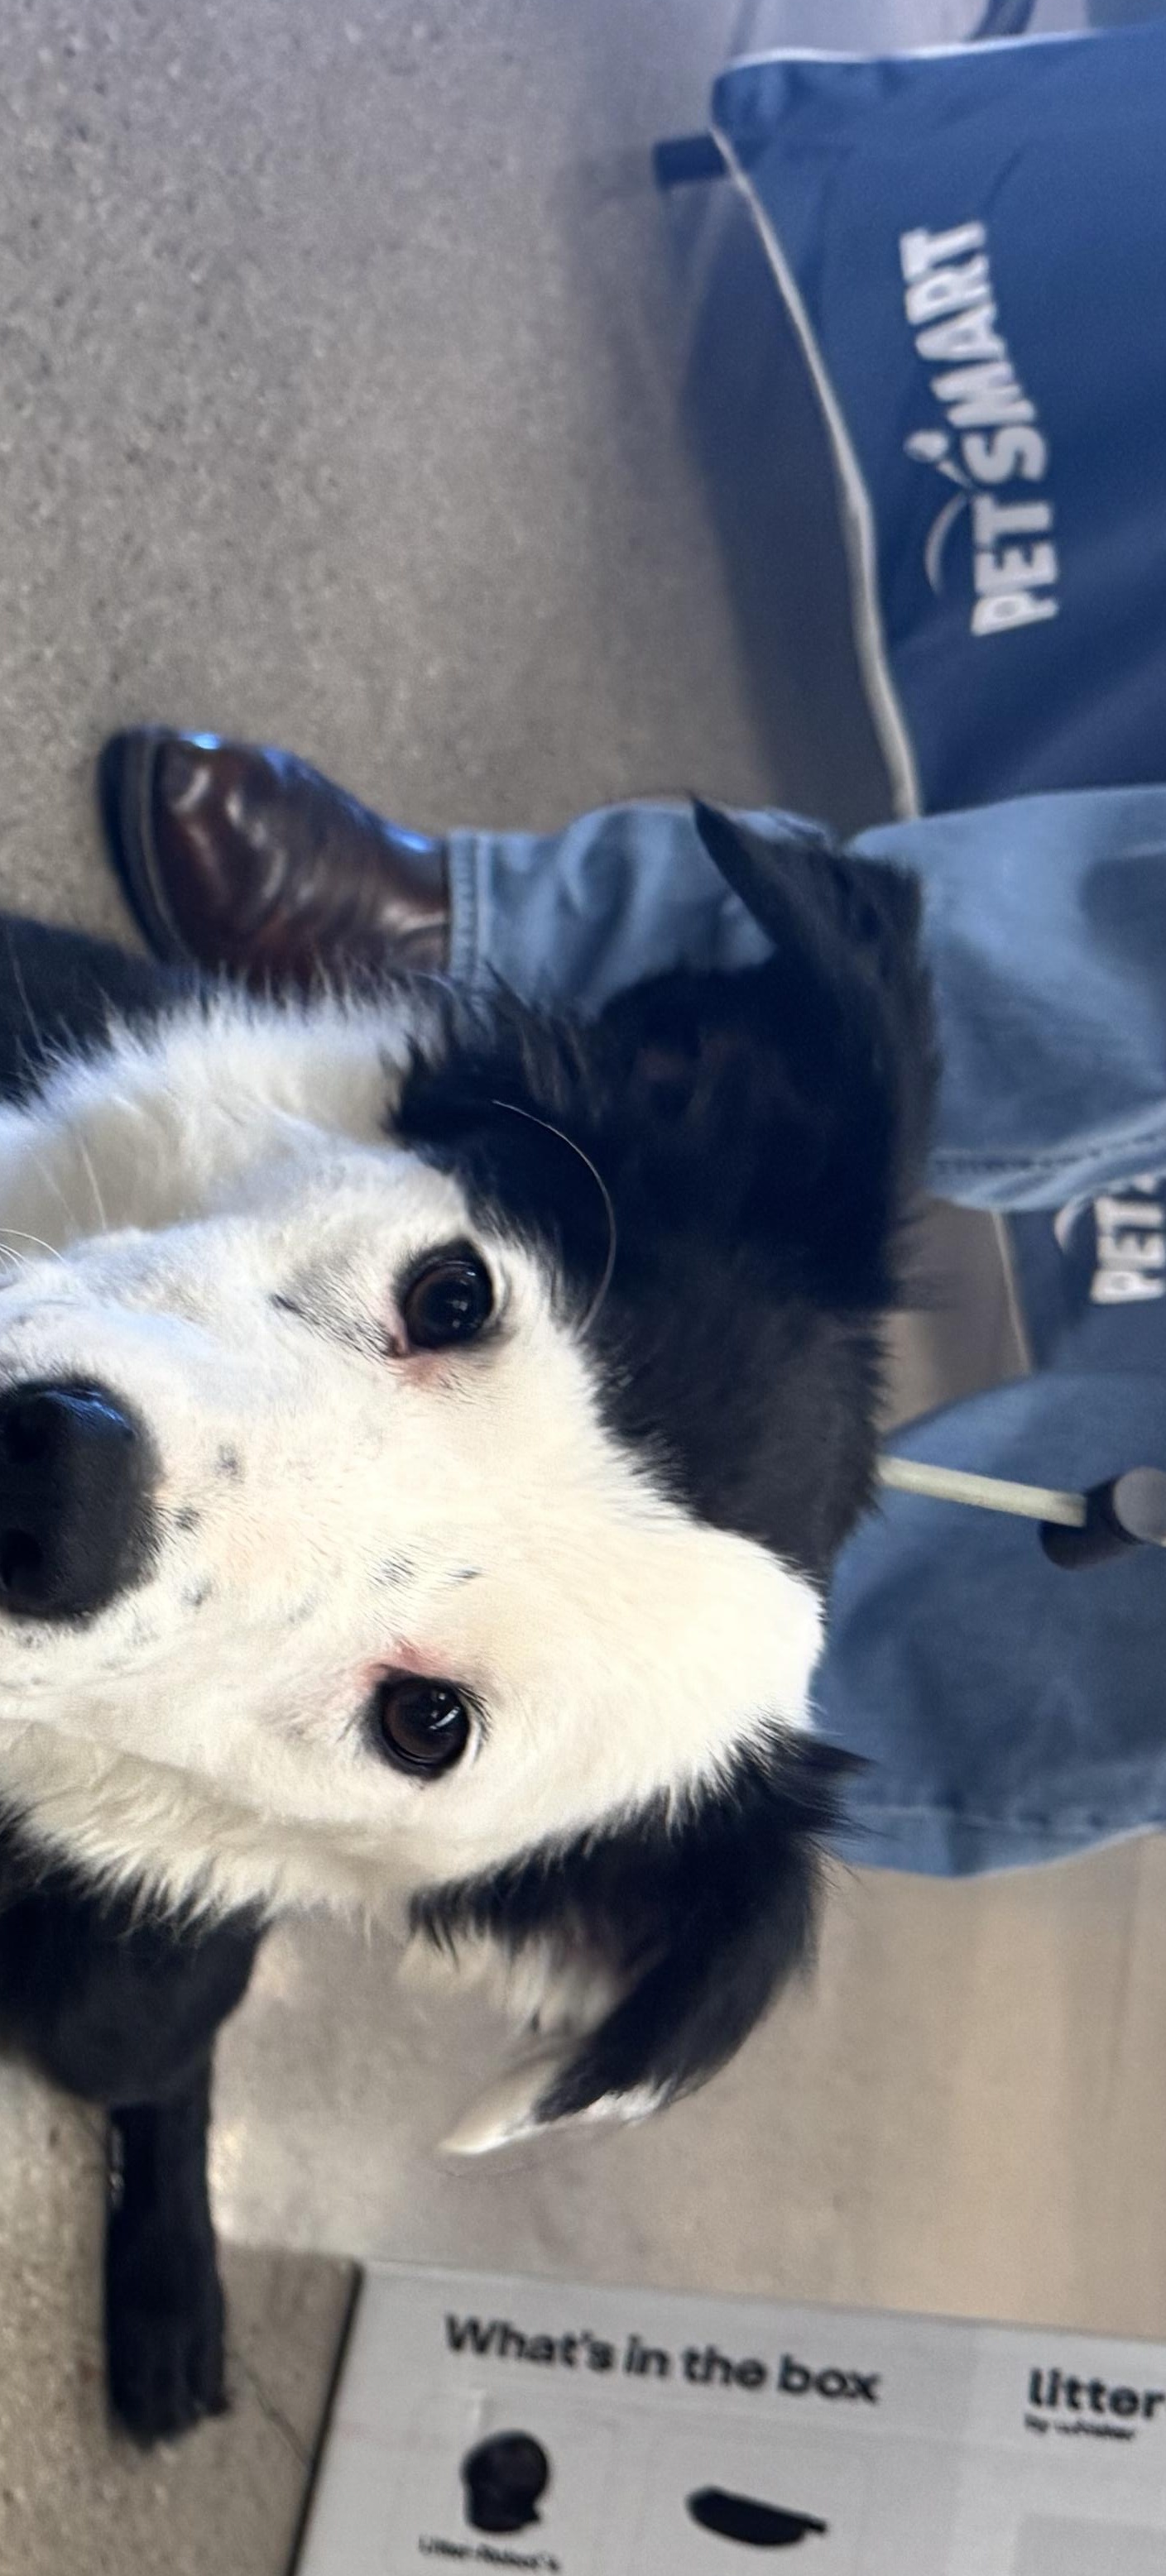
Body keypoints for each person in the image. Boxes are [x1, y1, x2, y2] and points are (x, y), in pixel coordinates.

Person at [96, 734, 1166, 1877]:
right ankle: (522, 966)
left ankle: (481, 1806)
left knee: (685, 1713)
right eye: (446, 1307)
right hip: (650, 1088)